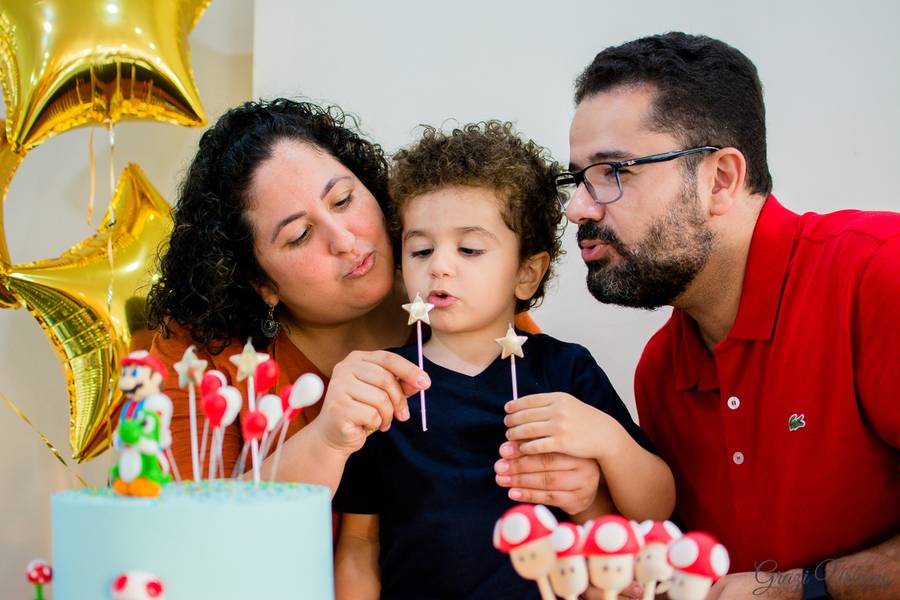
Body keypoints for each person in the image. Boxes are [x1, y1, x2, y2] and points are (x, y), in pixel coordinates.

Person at [559, 32, 900, 599]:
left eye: (614, 171)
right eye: (577, 179)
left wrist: (797, 590)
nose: (577, 209)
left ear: (721, 179)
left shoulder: (877, 274)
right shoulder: (661, 370)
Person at [146, 99, 602, 513]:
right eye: (300, 236)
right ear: (261, 282)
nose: (346, 241)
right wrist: (324, 439)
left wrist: (584, 487)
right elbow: (175, 531)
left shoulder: (463, 308)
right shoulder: (199, 361)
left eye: (343, 199)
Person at [332, 121, 674, 599]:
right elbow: (358, 542)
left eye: (469, 248)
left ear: (526, 274)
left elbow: (657, 508)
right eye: (421, 249)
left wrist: (608, 442)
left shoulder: (565, 371)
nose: (440, 266)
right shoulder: (384, 385)